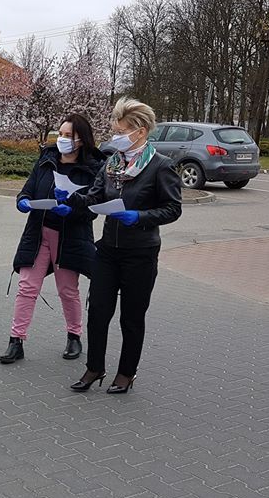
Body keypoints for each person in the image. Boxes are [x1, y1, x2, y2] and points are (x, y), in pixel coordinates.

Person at [60, 97, 181, 394]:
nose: (115, 135)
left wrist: (138, 216)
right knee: (98, 311)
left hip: (140, 253)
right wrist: (71, 199)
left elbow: (172, 208)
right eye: (115, 129)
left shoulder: (160, 166)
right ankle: (94, 368)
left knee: (131, 316)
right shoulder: (112, 162)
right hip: (108, 251)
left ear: (140, 131)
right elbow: (95, 196)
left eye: (121, 130)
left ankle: (126, 373)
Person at [1, 114, 105, 365]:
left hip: (70, 236)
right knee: (27, 287)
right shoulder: (46, 160)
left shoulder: (92, 168)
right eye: (60, 134)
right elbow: (27, 188)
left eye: (68, 135)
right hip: (39, 232)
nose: (62, 139)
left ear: (81, 139)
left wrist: (73, 209)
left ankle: (74, 336)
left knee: (67, 290)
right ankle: (16, 341)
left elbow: (95, 205)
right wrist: (23, 201)